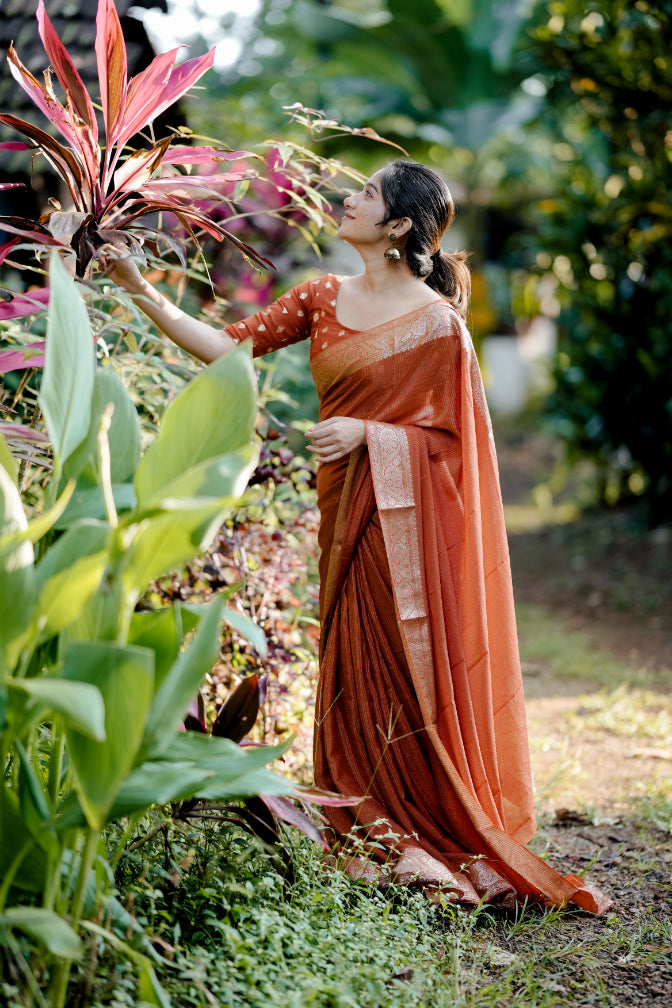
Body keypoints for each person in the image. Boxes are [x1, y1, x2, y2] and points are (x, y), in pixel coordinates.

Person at [103, 159, 610, 913]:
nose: (349, 197)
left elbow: (455, 448)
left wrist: (372, 434)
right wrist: (138, 288)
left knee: (402, 673)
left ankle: (418, 835)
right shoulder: (322, 297)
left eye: (367, 193)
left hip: (403, 524)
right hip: (344, 512)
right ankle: (379, 835)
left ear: (400, 225)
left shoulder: (439, 327)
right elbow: (226, 346)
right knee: (349, 667)